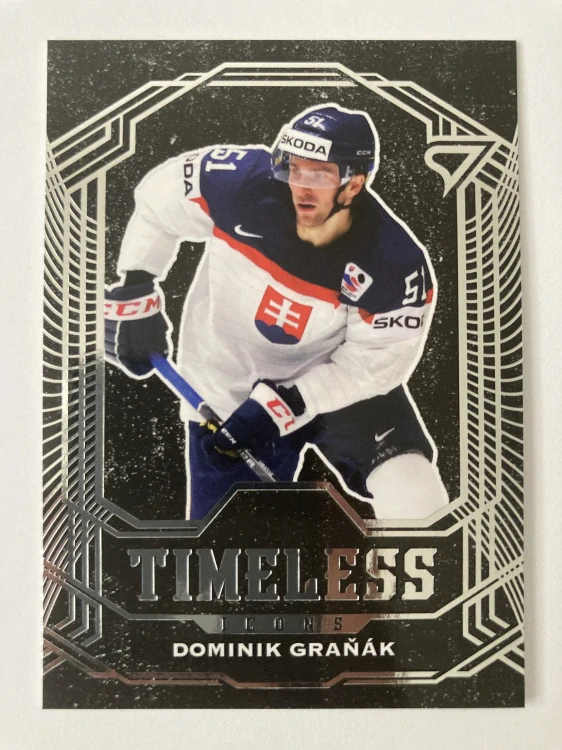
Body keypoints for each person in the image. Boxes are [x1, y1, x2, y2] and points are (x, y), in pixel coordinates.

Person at [104, 103, 449, 521]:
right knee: (227, 547)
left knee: (415, 495)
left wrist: (287, 404)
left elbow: (377, 363)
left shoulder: (395, 262)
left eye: (319, 175)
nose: (301, 187)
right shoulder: (238, 181)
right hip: (228, 388)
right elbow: (158, 201)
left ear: (353, 184)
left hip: (333, 380)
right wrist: (136, 291)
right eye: (293, 168)